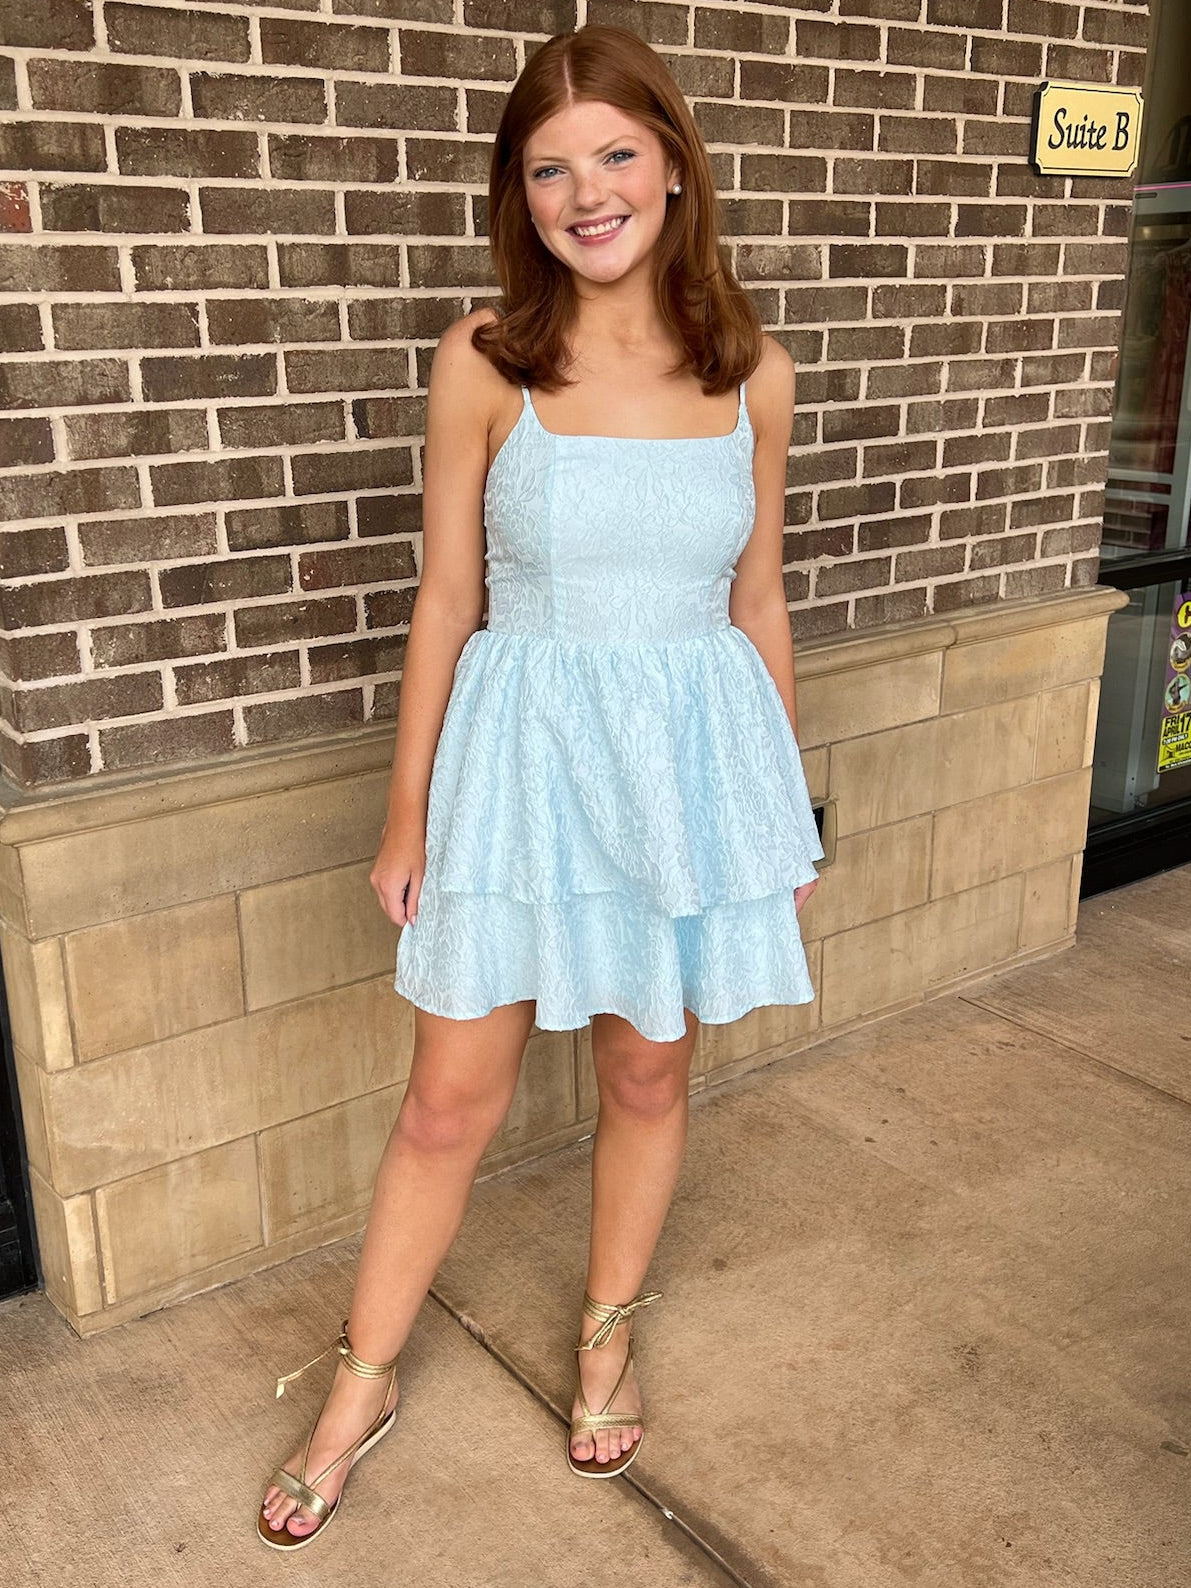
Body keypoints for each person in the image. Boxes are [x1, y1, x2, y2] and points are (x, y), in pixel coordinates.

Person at [256, 22, 824, 1550]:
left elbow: (757, 602)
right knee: (449, 1097)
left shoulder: (753, 376)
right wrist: (405, 813)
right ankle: (361, 1380)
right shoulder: (486, 361)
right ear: (521, 193)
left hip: (686, 772)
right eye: (551, 168)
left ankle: (606, 1332)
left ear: (676, 166)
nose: (589, 194)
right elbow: (447, 599)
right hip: (517, 766)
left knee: (648, 1074)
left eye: (617, 155)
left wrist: (777, 806)